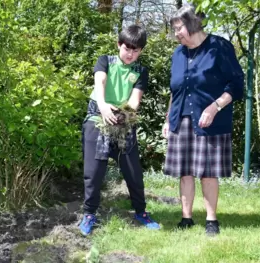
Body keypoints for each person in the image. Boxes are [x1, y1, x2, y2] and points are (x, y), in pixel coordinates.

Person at [162, 5, 244, 235]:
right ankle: (186, 219)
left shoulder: (219, 47)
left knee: (208, 171)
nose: (176, 34)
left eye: (179, 28)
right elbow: (175, 90)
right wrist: (169, 118)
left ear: (192, 25)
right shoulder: (178, 54)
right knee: (184, 171)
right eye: (175, 29)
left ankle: (211, 220)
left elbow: (236, 85)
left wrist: (216, 106)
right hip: (181, 118)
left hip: (210, 119)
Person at [79, 24, 160, 236]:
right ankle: (89, 214)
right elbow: (100, 81)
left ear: (141, 51)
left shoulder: (141, 71)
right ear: (119, 45)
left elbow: (134, 101)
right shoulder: (105, 60)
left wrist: (121, 116)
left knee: (133, 172)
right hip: (97, 116)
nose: (130, 54)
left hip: (124, 120)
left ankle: (141, 212)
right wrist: (104, 105)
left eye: (136, 50)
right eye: (127, 48)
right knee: (93, 173)